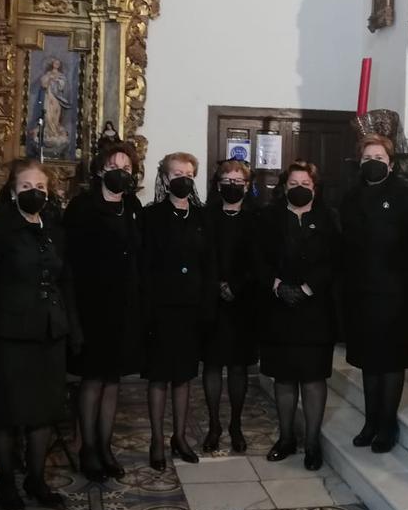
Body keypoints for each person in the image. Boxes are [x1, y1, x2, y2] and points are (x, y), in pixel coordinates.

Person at [0, 159, 82, 510]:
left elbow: (66, 282)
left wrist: (73, 327)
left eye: (41, 188)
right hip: (9, 335)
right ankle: (6, 481)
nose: (35, 193)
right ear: (13, 191)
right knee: (6, 412)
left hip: (49, 334)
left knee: (43, 412)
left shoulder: (53, 227)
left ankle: (36, 478)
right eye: (27, 188)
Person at [65, 140, 144, 482]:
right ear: (99, 170)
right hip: (91, 303)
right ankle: (88, 448)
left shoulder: (133, 205)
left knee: (113, 380)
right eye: (114, 168)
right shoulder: (82, 207)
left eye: (126, 169)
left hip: (123, 304)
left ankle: (106, 445)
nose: (120, 174)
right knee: (92, 379)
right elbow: (70, 261)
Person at [259, 161, 340, 471]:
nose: (299, 189)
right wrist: (277, 286)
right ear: (284, 187)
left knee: (313, 377)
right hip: (278, 308)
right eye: (293, 184)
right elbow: (258, 257)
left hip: (315, 308)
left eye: (305, 184)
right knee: (284, 377)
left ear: (314, 188)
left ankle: (313, 441)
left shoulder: (328, 217)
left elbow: (334, 260)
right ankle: (286, 438)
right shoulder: (268, 217)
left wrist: (307, 288)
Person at [341, 134, 408, 454]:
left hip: (397, 291)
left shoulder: (406, 195)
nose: (373, 162)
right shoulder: (350, 197)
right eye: (368, 157)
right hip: (361, 291)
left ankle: (388, 424)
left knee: (391, 361)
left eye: (379, 157)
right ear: (360, 163)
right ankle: (371, 421)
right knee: (369, 361)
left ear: (391, 163)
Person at [141, 152, 211, 469]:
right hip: (161, 307)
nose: (183, 178)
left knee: (183, 377)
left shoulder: (201, 216)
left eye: (188, 173)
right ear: (166, 178)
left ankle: (179, 437)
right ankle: (157, 440)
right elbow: (144, 266)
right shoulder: (151, 216)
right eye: (177, 173)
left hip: (191, 308)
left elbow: (208, 263)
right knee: (159, 378)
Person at [201, 159, 260, 454]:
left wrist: (235, 285)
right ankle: (213, 425)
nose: (232, 186)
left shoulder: (256, 218)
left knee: (238, 367)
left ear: (247, 186)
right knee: (212, 365)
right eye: (227, 180)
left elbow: (259, 260)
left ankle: (235, 424)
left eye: (238, 181)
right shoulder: (205, 216)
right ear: (218, 184)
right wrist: (216, 285)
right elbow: (200, 256)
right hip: (211, 301)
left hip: (243, 302)